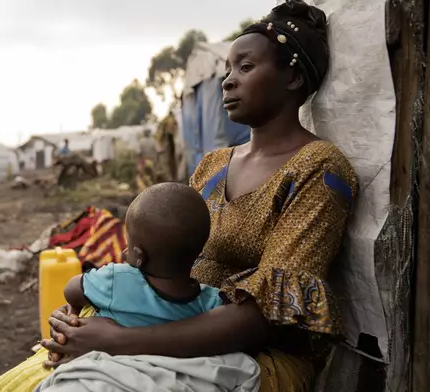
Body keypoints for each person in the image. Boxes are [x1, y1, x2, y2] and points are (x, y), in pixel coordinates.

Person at [36, 2, 359, 392]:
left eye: (245, 67)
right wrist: (91, 313)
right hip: (160, 328)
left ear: (292, 78)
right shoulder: (211, 165)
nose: (228, 81)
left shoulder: (319, 169)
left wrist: (116, 341)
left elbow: (262, 319)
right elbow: (162, 264)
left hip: (256, 357)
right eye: (227, 69)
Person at [0, 183, 260, 392]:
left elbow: (72, 289)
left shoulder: (117, 279)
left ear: (137, 255)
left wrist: (76, 307)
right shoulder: (209, 300)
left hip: (106, 367)